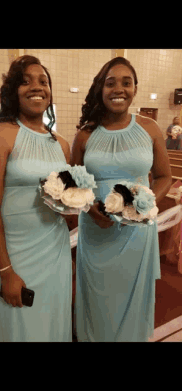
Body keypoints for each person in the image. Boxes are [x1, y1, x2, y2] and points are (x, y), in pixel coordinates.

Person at [71, 56, 172, 342]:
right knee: (97, 299)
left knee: (132, 299)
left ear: (135, 89)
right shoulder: (85, 134)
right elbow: (72, 185)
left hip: (136, 233)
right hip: (96, 231)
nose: (119, 89)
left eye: (126, 83)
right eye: (110, 83)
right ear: (100, 89)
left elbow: (164, 177)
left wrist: (147, 203)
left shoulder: (150, 128)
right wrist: (91, 210)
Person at [0, 55, 72, 342]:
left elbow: (66, 201)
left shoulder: (63, 145)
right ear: (12, 91)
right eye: (26, 81)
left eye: (43, 81)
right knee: (21, 329)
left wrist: (77, 203)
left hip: (55, 252)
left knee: (53, 325)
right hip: (16, 256)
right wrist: (6, 271)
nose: (37, 87)